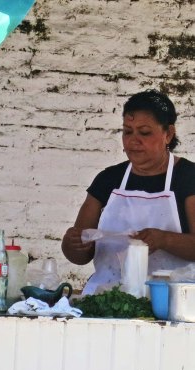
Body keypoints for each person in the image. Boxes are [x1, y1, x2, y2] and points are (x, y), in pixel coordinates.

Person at [62, 89, 195, 294]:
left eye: (144, 132)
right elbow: (79, 254)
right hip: (108, 296)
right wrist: (74, 244)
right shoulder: (108, 179)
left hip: (171, 301)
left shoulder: (188, 177)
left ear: (168, 134)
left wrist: (163, 239)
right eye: (127, 131)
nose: (133, 140)